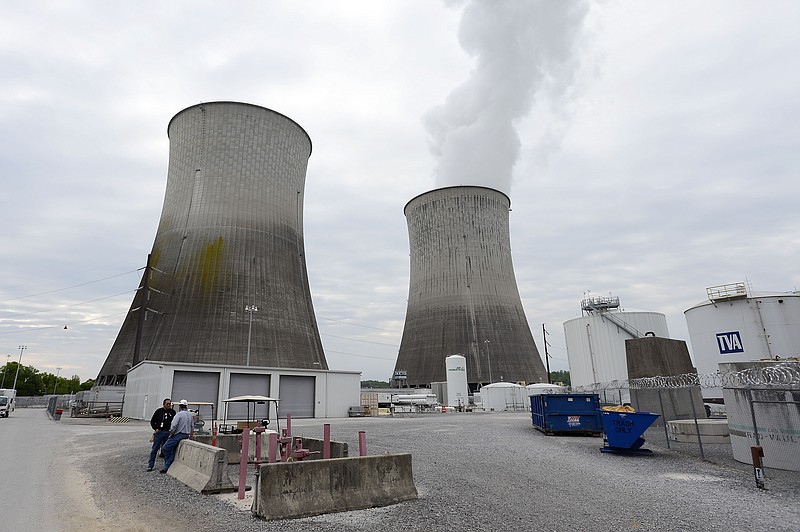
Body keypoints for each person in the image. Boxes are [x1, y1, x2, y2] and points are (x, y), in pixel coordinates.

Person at [160, 399, 194, 473]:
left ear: (180, 406)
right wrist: (190, 437)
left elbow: (174, 426)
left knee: (165, 448)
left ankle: (167, 461)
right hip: (186, 435)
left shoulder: (179, 415)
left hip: (178, 435)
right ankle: (167, 467)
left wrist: (171, 435)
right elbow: (192, 428)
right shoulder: (190, 415)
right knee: (174, 451)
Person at [147, 398, 175, 472]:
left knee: (166, 449)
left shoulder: (172, 412)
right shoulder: (159, 411)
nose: (169, 405)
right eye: (167, 404)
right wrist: (155, 428)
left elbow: (175, 423)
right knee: (155, 449)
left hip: (168, 432)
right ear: (164, 404)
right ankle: (150, 465)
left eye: (170, 404)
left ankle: (166, 466)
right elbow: (153, 421)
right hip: (160, 432)